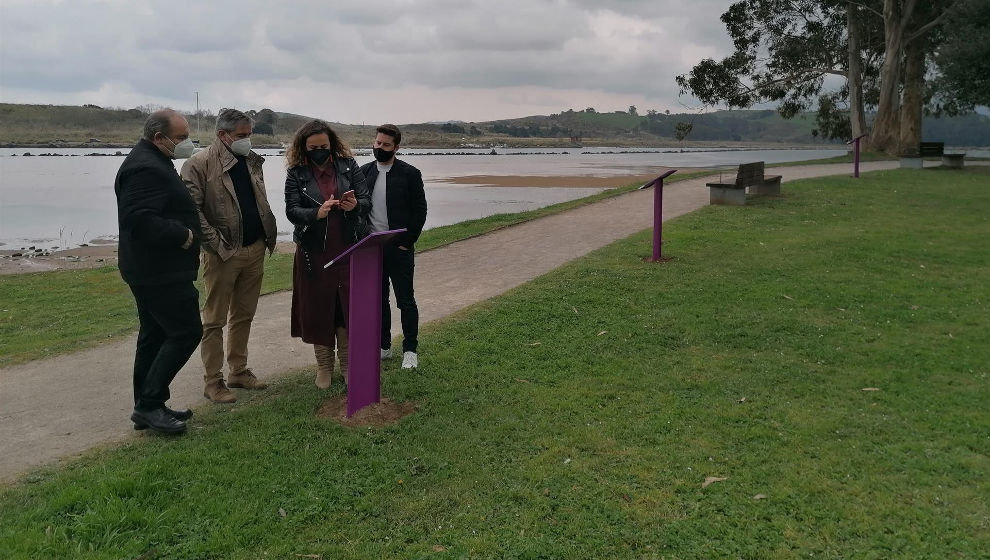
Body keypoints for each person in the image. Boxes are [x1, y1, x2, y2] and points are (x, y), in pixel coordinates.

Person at [114, 109, 202, 434]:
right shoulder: (144, 168)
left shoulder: (153, 161)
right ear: (159, 138)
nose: (186, 143)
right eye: (180, 138)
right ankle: (149, 404)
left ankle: (147, 405)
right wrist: (184, 235)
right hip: (159, 271)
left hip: (151, 269)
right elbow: (139, 218)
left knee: (154, 335)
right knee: (186, 331)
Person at [181, 108, 278, 403]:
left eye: (249, 135)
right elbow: (191, 211)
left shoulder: (250, 160)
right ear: (222, 135)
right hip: (222, 254)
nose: (247, 141)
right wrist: (216, 244)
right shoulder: (198, 164)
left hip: (255, 248)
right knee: (214, 320)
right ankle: (213, 381)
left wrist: (264, 239)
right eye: (241, 136)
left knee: (244, 314)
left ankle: (238, 370)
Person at [284, 120, 370, 389]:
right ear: (303, 147)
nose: (319, 151)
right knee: (319, 308)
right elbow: (291, 210)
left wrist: (354, 206)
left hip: (347, 248)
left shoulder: (348, 166)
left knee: (345, 308)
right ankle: (324, 366)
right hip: (314, 253)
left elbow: (366, 201)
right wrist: (315, 213)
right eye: (313, 147)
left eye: (323, 146)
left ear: (331, 144)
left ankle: (347, 364)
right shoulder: (297, 173)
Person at [359, 124, 427, 369]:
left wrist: (407, 242)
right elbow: (359, 210)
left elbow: (420, 211)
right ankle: (384, 346)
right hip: (372, 247)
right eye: (378, 143)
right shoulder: (364, 172)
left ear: (396, 147)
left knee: (405, 300)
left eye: (386, 145)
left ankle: (410, 349)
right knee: (379, 300)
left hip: (399, 248)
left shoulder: (410, 174)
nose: (380, 148)